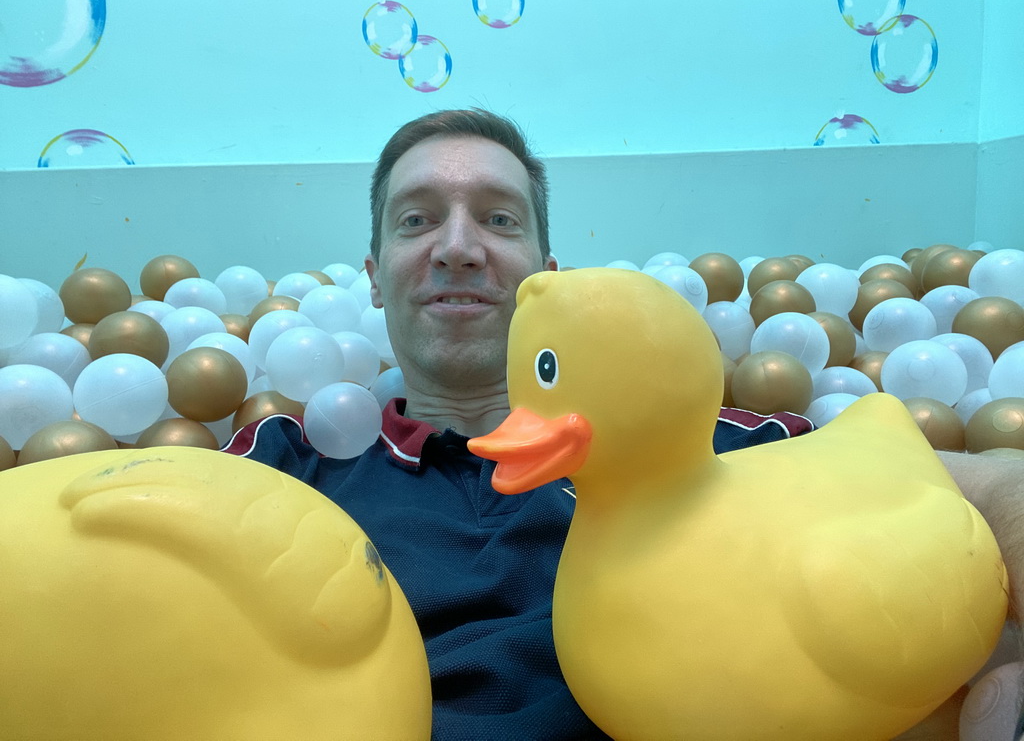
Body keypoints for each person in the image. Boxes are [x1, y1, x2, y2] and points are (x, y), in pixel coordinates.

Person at [227, 108, 1024, 739]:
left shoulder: (687, 440)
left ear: (548, 279)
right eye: (416, 221)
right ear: (372, 278)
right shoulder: (283, 465)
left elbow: (980, 485)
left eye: (500, 220)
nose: (459, 247)